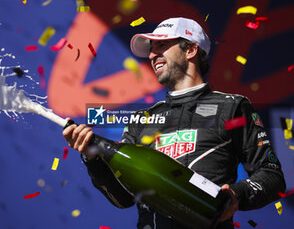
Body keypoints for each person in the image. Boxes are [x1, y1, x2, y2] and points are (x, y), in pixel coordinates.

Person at [63, 17, 286, 229]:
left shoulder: (232, 106)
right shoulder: (141, 119)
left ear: (190, 49)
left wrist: (237, 194)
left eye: (161, 46)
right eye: (151, 49)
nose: (152, 55)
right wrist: (92, 159)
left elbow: (272, 175)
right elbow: (123, 200)